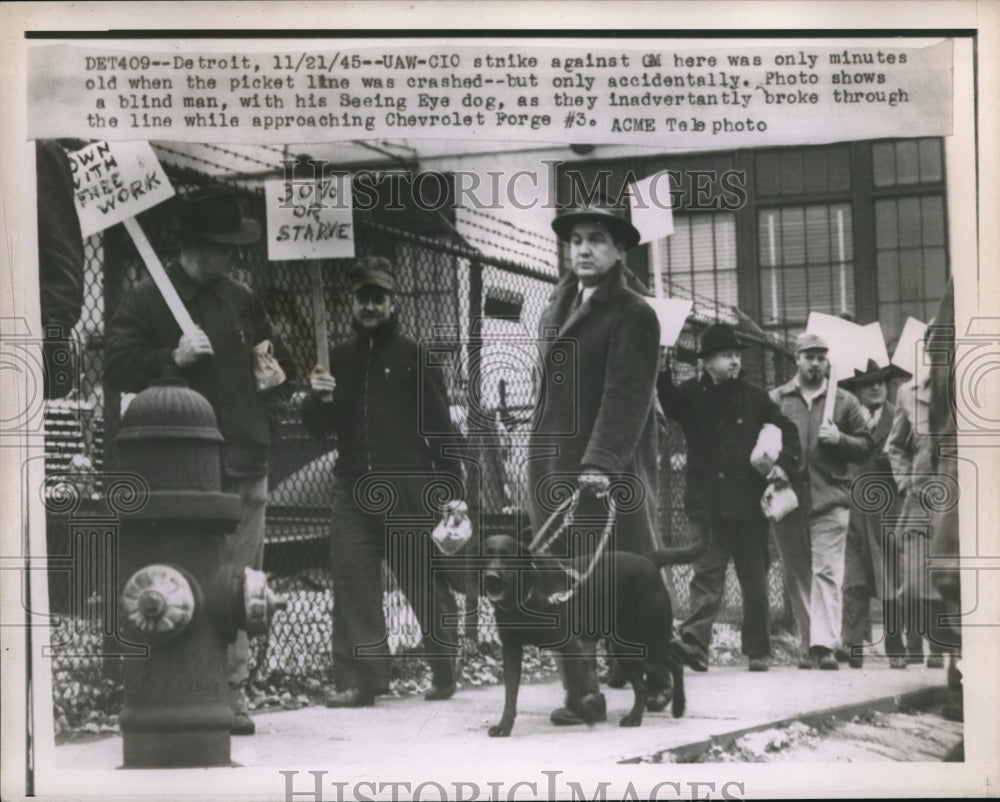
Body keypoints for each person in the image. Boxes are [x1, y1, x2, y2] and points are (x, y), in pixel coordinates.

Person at [105, 187, 292, 735]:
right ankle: (185, 684)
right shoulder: (145, 299)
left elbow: (269, 364)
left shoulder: (241, 298)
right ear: (195, 246)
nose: (232, 256)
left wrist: (273, 409)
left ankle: (232, 691)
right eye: (223, 246)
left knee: (239, 579)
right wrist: (172, 358)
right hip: (184, 472)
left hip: (246, 459)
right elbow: (117, 365)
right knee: (192, 576)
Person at [301, 256, 465, 708]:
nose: (370, 306)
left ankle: (445, 664)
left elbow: (440, 431)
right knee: (354, 581)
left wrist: (452, 493)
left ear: (393, 304)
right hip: (352, 487)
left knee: (422, 579)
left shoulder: (415, 357)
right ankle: (364, 680)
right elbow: (317, 427)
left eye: (379, 298)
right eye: (362, 298)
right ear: (351, 304)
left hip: (407, 489)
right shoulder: (336, 359)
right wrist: (316, 397)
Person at [529, 198, 660, 725]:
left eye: (597, 239)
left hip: (602, 475)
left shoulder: (634, 312)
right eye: (576, 239)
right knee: (560, 580)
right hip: (552, 467)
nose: (583, 248)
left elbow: (625, 395)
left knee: (619, 580)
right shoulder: (556, 304)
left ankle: (655, 673)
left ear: (620, 250)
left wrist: (600, 466)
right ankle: (582, 695)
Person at [658, 323, 800, 673]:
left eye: (737, 355)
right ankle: (694, 644)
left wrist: (784, 465)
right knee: (706, 575)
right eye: (726, 356)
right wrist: (664, 367)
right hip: (707, 504)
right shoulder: (691, 393)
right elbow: (668, 402)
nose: (734, 362)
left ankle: (758, 650)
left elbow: (789, 431)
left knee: (754, 580)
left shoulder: (755, 397)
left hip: (749, 505)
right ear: (706, 361)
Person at [769, 333, 873, 670]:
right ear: (796, 359)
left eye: (821, 357)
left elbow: (865, 445)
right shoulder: (777, 400)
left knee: (827, 571)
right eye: (809, 356)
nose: (815, 363)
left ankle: (824, 645)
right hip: (789, 499)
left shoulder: (843, 401)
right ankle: (808, 642)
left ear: (828, 361)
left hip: (831, 498)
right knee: (797, 573)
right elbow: (760, 442)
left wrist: (839, 439)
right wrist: (774, 468)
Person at [886, 323, 958, 670]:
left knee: (954, 576)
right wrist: (904, 483)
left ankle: (949, 652)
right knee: (914, 580)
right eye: (933, 342)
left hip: (959, 503)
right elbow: (895, 444)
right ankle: (909, 642)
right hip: (918, 500)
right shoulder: (908, 392)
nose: (939, 349)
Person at [838, 359, 912, 668]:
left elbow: (909, 457)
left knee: (890, 580)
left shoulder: (899, 417)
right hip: (852, 512)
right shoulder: (844, 420)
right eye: (869, 382)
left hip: (887, 513)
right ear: (855, 389)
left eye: (882, 380)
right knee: (853, 579)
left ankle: (896, 647)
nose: (877, 386)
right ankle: (852, 646)